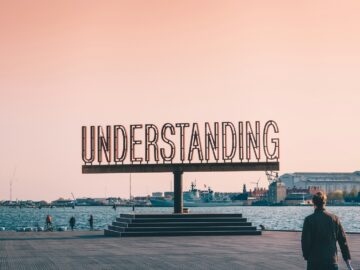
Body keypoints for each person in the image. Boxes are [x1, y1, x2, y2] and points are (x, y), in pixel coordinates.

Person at [301, 191, 353, 270]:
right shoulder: (335, 219)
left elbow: (305, 241)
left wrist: (307, 256)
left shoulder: (309, 220)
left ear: (313, 203)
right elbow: (343, 241)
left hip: (314, 262)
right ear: (325, 203)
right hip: (331, 261)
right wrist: (347, 260)